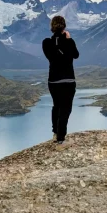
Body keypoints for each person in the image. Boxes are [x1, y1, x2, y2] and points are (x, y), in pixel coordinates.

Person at [42, 15, 79, 145]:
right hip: (68, 81)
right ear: (64, 26)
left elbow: (52, 56)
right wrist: (68, 39)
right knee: (65, 109)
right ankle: (61, 139)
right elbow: (76, 55)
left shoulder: (46, 43)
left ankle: (56, 133)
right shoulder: (69, 42)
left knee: (56, 106)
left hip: (53, 81)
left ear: (51, 27)